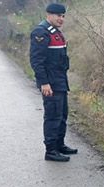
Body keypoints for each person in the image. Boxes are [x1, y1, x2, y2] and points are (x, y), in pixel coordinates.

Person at [29, 3, 77, 162]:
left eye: (63, 16)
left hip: (60, 81)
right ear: (49, 14)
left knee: (62, 115)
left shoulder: (55, 32)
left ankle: (59, 144)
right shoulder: (41, 32)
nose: (61, 19)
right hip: (51, 83)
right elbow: (37, 61)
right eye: (58, 15)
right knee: (52, 116)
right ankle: (50, 151)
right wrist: (44, 83)